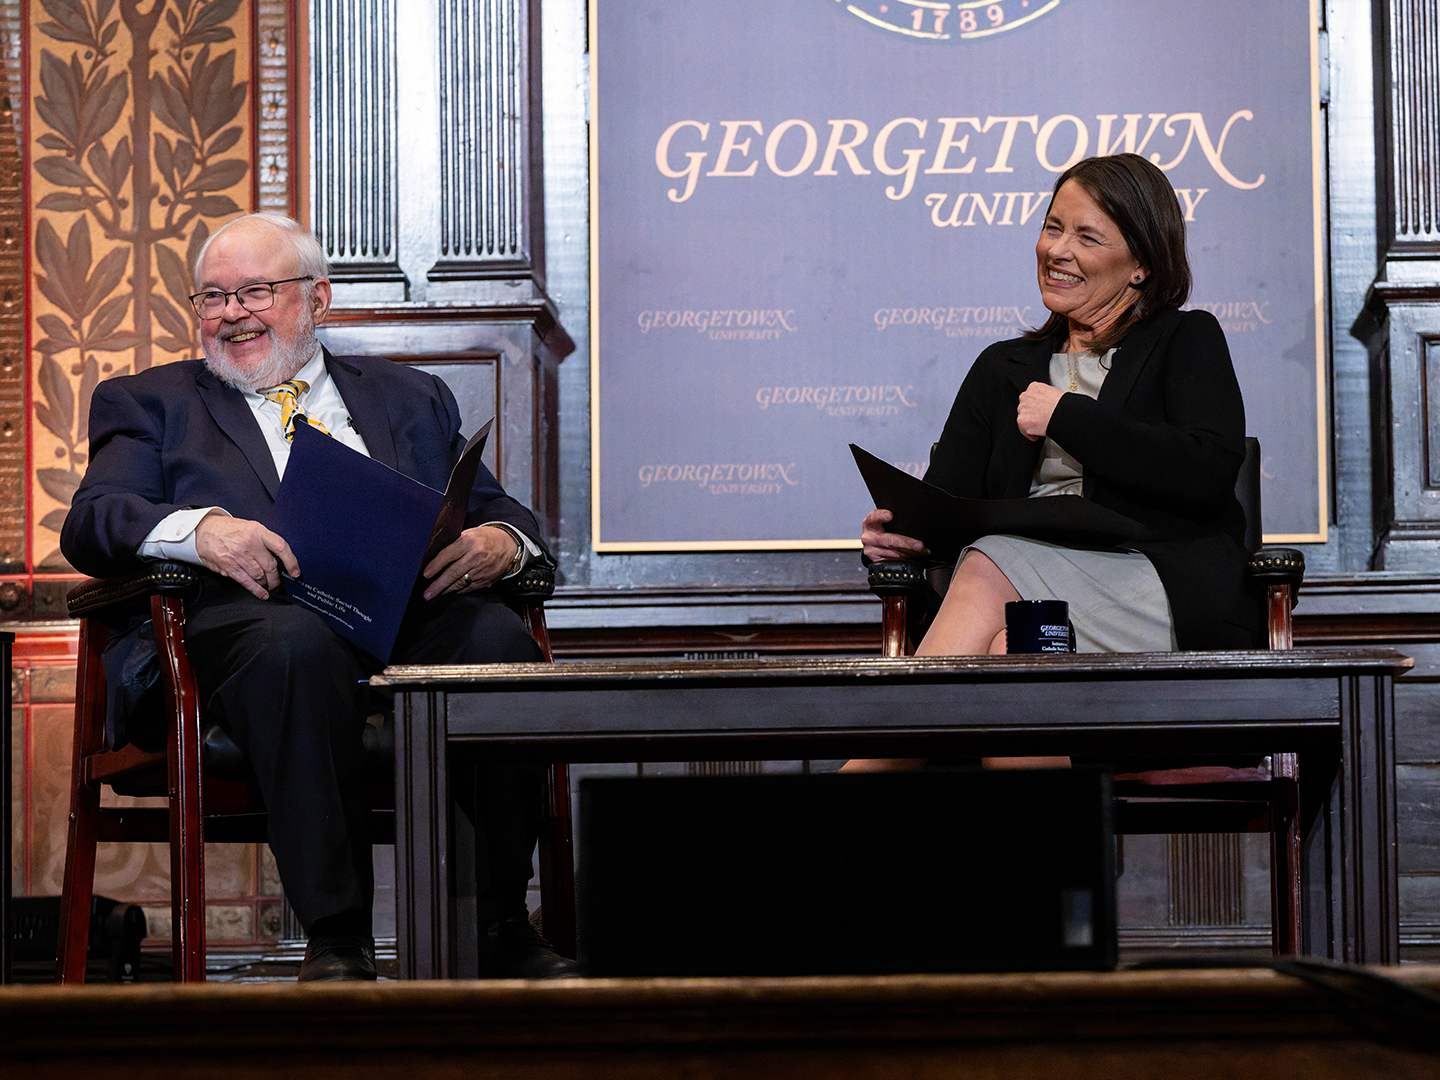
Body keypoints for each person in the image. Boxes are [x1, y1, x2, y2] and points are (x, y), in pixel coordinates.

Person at [61, 212, 580, 981]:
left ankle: (497, 926)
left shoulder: (411, 397)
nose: (232, 313)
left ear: (318, 298)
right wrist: (204, 531)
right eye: (212, 297)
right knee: (296, 648)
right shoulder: (151, 402)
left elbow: (502, 512)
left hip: (402, 620)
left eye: (256, 292)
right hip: (246, 631)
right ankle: (338, 938)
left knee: (493, 646)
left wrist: (500, 545)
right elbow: (94, 519)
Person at [854, 154, 1262, 769]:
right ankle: (1051, 863)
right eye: (1052, 228)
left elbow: (1205, 469)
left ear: (1142, 265)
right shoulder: (1002, 368)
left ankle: (870, 773)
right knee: (1006, 652)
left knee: (991, 560)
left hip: (1152, 591)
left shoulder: (1187, 339)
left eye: (1087, 237)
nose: (1057, 250)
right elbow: (949, 506)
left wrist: (1069, 417)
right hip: (1029, 607)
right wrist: (903, 538)